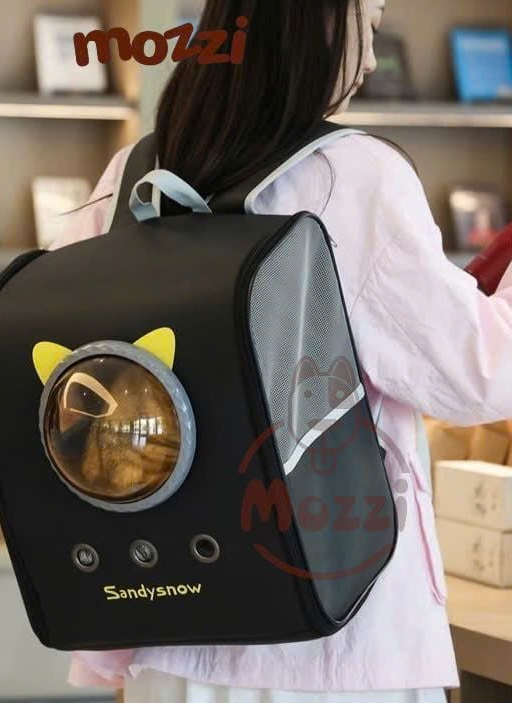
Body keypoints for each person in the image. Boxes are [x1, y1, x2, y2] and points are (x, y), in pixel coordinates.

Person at [50, 0, 512, 700]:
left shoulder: (133, 171)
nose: (369, 60)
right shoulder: (352, 175)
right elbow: (480, 375)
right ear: (322, 21)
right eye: (370, 26)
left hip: (163, 614)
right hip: (324, 636)